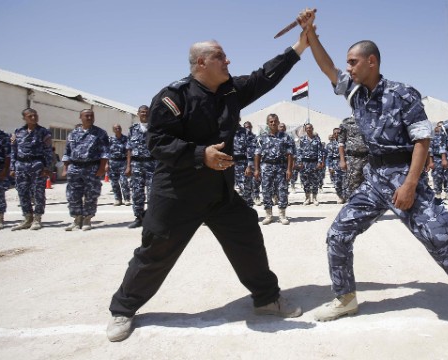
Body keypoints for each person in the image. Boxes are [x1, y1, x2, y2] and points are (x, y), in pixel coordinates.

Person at [304, 10, 448, 344]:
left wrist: (410, 184)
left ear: (371, 61)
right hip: (375, 178)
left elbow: (422, 139)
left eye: (353, 62)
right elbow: (327, 68)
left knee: (439, 241)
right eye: (348, 63)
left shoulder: (403, 94)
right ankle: (345, 298)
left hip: (404, 174)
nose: (348, 68)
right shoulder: (357, 93)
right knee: (338, 234)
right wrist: (310, 35)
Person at [106, 20, 311, 342]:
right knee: (156, 250)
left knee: (247, 237)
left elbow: (265, 76)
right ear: (201, 62)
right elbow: (157, 143)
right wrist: (201, 154)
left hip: (220, 193)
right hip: (177, 191)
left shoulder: (230, 91)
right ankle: (123, 310)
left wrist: (300, 45)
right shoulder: (173, 97)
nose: (228, 61)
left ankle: (266, 299)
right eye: (221, 56)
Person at [62, 109, 110, 231]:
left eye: (91, 116)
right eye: (86, 116)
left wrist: (102, 168)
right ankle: (77, 219)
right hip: (75, 167)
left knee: (91, 195)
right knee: (73, 194)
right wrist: (65, 168)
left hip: (91, 167)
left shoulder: (100, 133)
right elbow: (67, 152)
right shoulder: (73, 133)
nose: (89, 118)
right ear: (80, 117)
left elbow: (105, 153)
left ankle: (87, 219)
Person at [10, 108, 54, 231]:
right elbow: (13, 151)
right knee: (22, 192)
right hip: (21, 165)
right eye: (30, 116)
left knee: (38, 192)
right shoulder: (18, 132)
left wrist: (47, 167)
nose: (33, 118)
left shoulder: (44, 132)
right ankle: (27, 218)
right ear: (24, 118)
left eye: (35, 115)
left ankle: (37, 219)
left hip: (37, 165)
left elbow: (48, 152)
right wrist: (12, 167)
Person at [254, 114, 293, 225]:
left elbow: (290, 154)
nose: (273, 123)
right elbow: (257, 154)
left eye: (275, 121)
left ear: (278, 122)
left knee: (282, 191)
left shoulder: (285, 137)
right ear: (267, 123)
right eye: (270, 121)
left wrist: (289, 170)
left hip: (281, 167)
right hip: (266, 167)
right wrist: (256, 169)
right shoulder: (262, 137)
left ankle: (282, 215)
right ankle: (268, 215)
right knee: (266, 190)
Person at [126, 105, 158, 228]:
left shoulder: (155, 128)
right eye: (142, 112)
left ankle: (151, 218)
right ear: (138, 113)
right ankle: (138, 217)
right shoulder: (132, 129)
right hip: (136, 164)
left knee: (152, 192)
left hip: (152, 164)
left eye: (146, 112)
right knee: (137, 192)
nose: (144, 114)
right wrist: (128, 166)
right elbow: (128, 149)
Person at [338, 116, 369, 200]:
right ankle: (353, 206)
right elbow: (341, 143)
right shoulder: (346, 123)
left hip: (368, 158)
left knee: (369, 184)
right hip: (353, 158)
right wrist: (342, 160)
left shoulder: (369, 120)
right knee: (352, 184)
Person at [297, 123, 324, 205]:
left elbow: (320, 151)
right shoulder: (302, 139)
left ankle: (315, 198)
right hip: (305, 163)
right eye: (307, 128)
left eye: (310, 128)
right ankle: (307, 198)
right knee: (305, 181)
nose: (309, 129)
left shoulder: (317, 139)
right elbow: (299, 151)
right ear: (305, 129)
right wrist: (299, 162)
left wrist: (319, 162)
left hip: (314, 162)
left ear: (312, 128)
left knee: (315, 181)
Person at [107, 124, 131, 207]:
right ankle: (117, 199)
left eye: (119, 128)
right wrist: (106, 164)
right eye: (116, 128)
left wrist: (128, 165)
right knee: (114, 183)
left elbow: (128, 152)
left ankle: (127, 199)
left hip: (122, 162)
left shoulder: (125, 139)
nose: (118, 129)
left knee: (124, 182)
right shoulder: (110, 139)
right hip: (112, 163)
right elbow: (106, 152)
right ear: (113, 130)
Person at [233, 119, 256, 207]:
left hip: (243, 165)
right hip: (228, 165)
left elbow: (251, 150)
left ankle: (249, 212)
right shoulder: (225, 132)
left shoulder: (245, 132)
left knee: (246, 189)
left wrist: (249, 166)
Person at [326, 129, 345, 203]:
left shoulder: (346, 143)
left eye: (338, 133)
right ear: (333, 135)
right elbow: (329, 157)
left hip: (345, 164)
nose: (337, 134)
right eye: (335, 133)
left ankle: (346, 196)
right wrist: (330, 167)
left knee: (346, 181)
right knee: (337, 182)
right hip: (335, 164)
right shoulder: (330, 145)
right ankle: (340, 196)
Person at [427, 121, 445, 199]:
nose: (439, 128)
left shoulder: (447, 137)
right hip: (436, 159)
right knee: (437, 177)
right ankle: (438, 193)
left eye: (441, 127)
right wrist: (430, 162)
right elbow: (430, 151)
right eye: (438, 126)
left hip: (447, 159)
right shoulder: (433, 138)